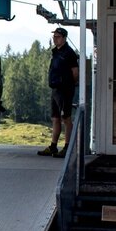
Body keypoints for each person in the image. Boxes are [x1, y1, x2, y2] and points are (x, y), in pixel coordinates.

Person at [38, 27, 79, 158]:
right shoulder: (56, 52)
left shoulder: (69, 53)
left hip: (65, 90)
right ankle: (53, 146)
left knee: (66, 118)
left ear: (64, 38)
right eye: (54, 37)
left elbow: (75, 72)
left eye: (58, 37)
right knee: (55, 118)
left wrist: (71, 85)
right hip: (55, 89)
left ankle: (68, 147)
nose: (55, 39)